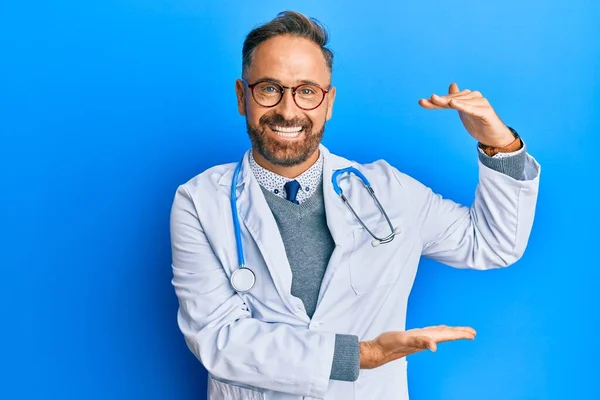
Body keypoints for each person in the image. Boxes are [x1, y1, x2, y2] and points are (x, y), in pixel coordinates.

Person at [169, 10, 540, 400]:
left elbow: (495, 244)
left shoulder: (389, 191)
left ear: (328, 102)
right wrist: (364, 355)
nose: (288, 110)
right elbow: (218, 340)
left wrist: (501, 146)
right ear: (242, 97)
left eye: (307, 91)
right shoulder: (200, 201)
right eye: (269, 88)